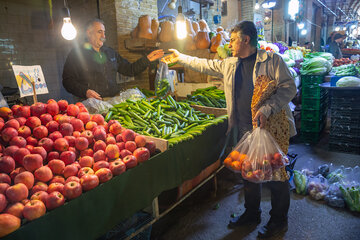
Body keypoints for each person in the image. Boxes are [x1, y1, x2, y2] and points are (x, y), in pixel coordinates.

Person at [162, 21, 296, 238]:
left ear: (245, 40)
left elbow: (289, 87)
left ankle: (279, 221)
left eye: (233, 39)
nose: (229, 43)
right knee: (249, 173)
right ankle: (252, 214)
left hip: (270, 128)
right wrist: (180, 57)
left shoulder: (272, 61)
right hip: (244, 127)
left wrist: (267, 108)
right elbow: (204, 65)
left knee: (276, 176)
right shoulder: (230, 63)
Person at [62, 18, 164, 101]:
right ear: (89, 33)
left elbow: (129, 69)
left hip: (113, 100)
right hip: (89, 104)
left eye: (104, 32)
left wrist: (147, 59)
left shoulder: (110, 52)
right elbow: (67, 81)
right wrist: (85, 91)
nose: (103, 36)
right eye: (99, 32)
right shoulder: (76, 54)